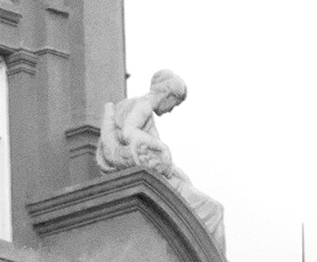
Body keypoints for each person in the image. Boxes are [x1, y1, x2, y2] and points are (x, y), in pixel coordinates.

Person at [94, 70, 224, 240]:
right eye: (174, 104)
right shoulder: (144, 106)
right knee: (213, 209)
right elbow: (128, 132)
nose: (170, 110)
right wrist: (161, 147)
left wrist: (178, 173)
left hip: (156, 173)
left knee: (203, 200)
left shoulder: (135, 105)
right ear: (167, 96)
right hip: (153, 179)